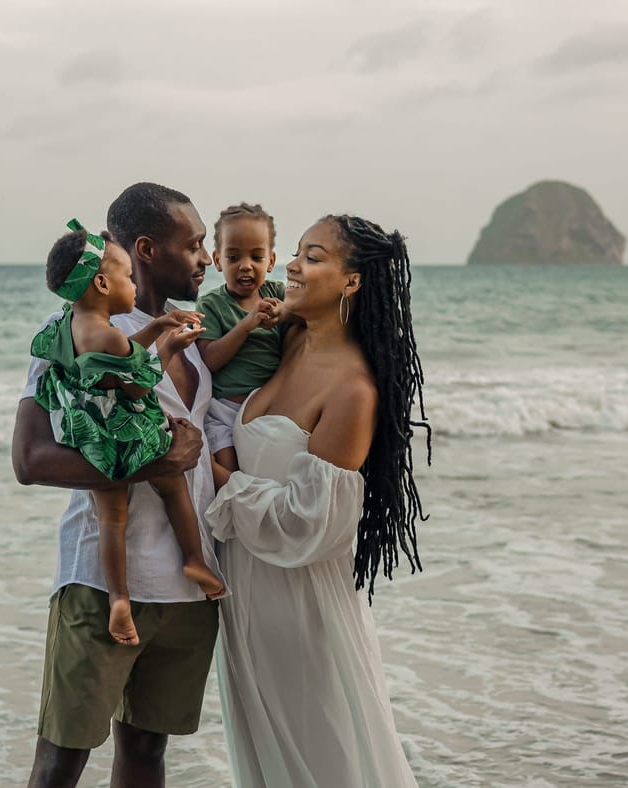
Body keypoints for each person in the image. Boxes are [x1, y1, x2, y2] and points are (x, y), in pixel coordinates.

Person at [11, 182, 224, 788]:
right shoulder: (76, 330)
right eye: (196, 245)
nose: (207, 258)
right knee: (61, 761)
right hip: (104, 585)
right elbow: (30, 458)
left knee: (148, 756)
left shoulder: (189, 338)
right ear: (149, 249)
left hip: (187, 586)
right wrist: (154, 466)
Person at [206, 214, 429, 787]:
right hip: (248, 594)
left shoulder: (352, 388)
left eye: (313, 256)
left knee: (322, 757)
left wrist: (211, 473)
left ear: (352, 282)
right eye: (297, 253)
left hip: (302, 607)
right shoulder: (289, 338)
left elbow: (309, 525)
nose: (291, 266)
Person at [31, 220, 223, 645]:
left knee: (111, 520)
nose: (133, 282)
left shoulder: (74, 326)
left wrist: (159, 325)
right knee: (174, 486)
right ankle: (194, 558)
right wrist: (171, 346)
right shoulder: (112, 336)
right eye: (126, 276)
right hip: (129, 431)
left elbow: (123, 350)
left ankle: (119, 598)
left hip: (92, 442)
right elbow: (136, 381)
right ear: (102, 283)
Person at [196, 202, 284, 475]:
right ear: (218, 260)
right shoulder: (211, 304)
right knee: (232, 479)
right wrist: (246, 325)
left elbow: (307, 310)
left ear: (270, 261)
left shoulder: (278, 294)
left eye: (256, 257)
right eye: (233, 258)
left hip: (270, 408)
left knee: (268, 473)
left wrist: (286, 312)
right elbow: (209, 359)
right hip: (225, 410)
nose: (245, 266)